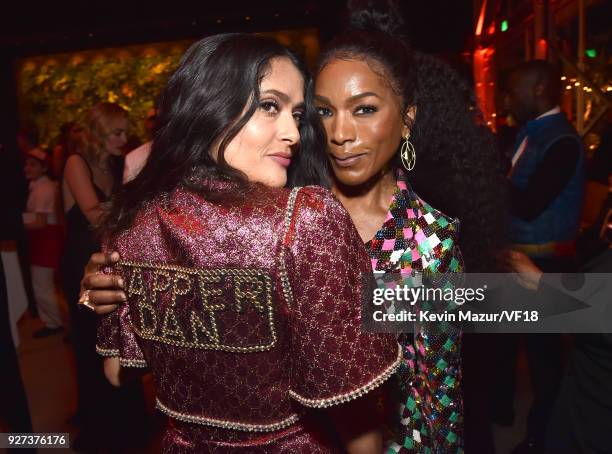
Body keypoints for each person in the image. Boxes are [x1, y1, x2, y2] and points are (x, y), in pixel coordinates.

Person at [84, 33, 402, 453]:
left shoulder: (422, 224)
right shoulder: (304, 214)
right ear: (210, 105)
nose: (300, 132)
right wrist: (114, 293)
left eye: (364, 109)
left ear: (408, 117)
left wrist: (512, 298)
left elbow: (476, 306)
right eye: (323, 112)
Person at [61, 102, 149, 450]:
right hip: (79, 269)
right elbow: (95, 215)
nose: (125, 139)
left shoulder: (116, 165)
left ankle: (127, 426)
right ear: (98, 132)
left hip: (110, 262)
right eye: (117, 132)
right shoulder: (75, 163)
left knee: (117, 340)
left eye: (125, 131)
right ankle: (100, 428)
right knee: (89, 343)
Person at [22, 147, 64, 338]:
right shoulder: (40, 187)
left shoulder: (43, 189)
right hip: (43, 241)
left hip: (45, 241)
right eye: (26, 164)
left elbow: (40, 222)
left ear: (44, 168)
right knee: (44, 285)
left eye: (33, 165)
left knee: (42, 286)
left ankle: (54, 321)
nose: (27, 168)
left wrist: (15, 227)